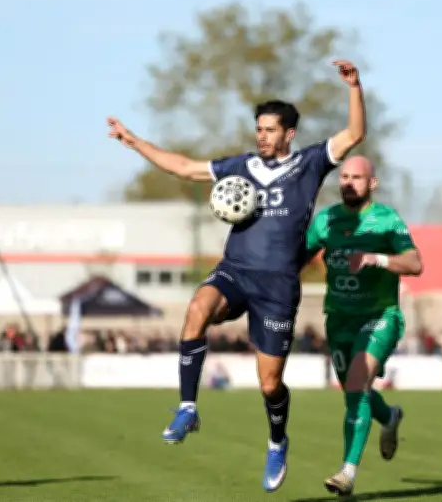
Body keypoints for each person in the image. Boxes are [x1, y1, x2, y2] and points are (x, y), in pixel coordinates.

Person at [106, 60, 366, 493]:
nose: (261, 136)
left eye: (269, 129)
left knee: (269, 384)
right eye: (258, 129)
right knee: (196, 309)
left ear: (288, 134)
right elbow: (184, 167)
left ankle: (278, 440)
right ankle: (188, 406)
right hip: (235, 271)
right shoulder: (240, 166)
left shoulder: (310, 163)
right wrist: (134, 142)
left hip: (278, 286)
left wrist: (354, 87)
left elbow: (354, 133)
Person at [305, 155, 423, 497]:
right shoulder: (326, 220)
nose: (348, 182)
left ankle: (347, 472)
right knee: (355, 392)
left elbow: (415, 263)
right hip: (339, 318)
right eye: (344, 176)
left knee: (357, 384)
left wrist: (379, 259)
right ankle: (388, 417)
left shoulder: (386, 219)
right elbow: (298, 259)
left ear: (372, 183)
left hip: (379, 316)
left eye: (357, 177)